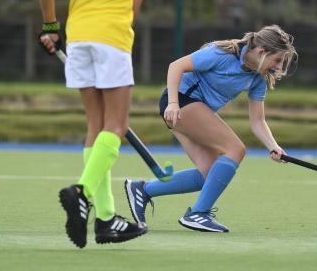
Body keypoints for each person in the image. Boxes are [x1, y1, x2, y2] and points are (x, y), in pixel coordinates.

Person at [37, 0, 153, 248]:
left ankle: (105, 220)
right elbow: (130, 14)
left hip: (78, 39)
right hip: (113, 41)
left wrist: (51, 26)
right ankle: (82, 191)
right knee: (115, 128)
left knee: (96, 127)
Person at [124, 25, 297, 233]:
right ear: (261, 52)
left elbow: (258, 121)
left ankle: (143, 190)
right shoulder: (221, 54)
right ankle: (199, 213)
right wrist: (172, 104)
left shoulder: (257, 77)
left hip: (192, 108)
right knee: (235, 149)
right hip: (180, 102)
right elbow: (175, 66)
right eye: (277, 60)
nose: (278, 67)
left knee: (210, 174)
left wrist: (274, 147)